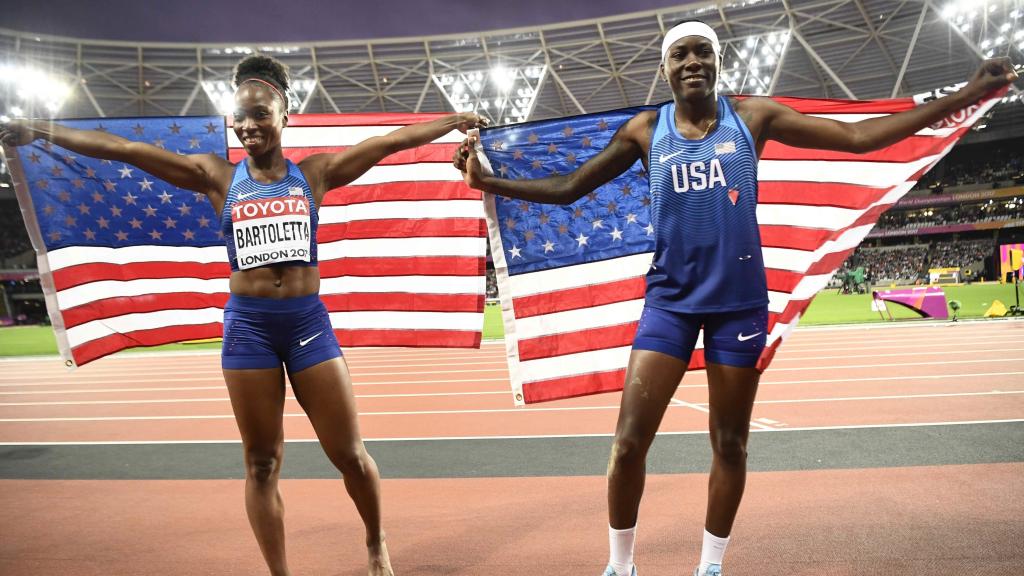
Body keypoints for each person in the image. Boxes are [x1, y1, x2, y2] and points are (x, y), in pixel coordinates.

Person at [454, 20, 1017, 576]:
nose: (692, 62)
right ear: (665, 68)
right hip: (670, 303)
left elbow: (860, 139)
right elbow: (569, 187)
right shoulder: (645, 132)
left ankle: (710, 567)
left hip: (738, 307)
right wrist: (487, 183)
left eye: (702, 52)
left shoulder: (753, 117)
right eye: (680, 55)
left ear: (718, 62)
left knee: (729, 444)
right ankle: (620, 566)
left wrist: (971, 91)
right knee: (627, 445)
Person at [1, 54, 487, 576]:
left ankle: (375, 542)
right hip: (249, 327)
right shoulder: (215, 176)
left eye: (260, 113)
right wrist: (39, 130)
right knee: (260, 462)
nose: (248, 125)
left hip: (306, 325)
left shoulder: (316, 173)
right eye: (240, 115)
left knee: (349, 454)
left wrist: (455, 122)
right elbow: (124, 150)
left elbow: (389, 143)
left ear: (284, 115)